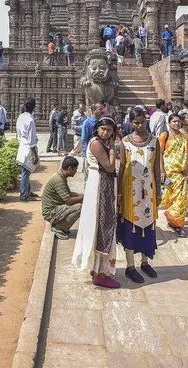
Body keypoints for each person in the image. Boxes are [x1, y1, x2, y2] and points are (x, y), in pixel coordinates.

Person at [72, 117, 120, 288]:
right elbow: (109, 166)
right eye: (103, 129)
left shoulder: (101, 142)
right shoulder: (97, 143)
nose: (106, 132)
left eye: (109, 130)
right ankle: (99, 273)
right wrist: (113, 148)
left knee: (101, 223)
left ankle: (98, 267)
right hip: (99, 186)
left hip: (102, 185)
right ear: (97, 129)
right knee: (101, 225)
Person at [117, 107, 161, 282]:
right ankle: (130, 266)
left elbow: (157, 167)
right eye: (136, 123)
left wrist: (158, 192)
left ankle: (145, 261)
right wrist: (119, 192)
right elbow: (121, 167)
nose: (140, 125)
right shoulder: (125, 142)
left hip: (149, 191)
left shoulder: (154, 141)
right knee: (130, 225)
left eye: (143, 122)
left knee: (148, 224)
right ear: (130, 123)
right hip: (130, 191)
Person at [159, 113, 188, 237]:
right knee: (172, 198)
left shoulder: (185, 137)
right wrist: (162, 171)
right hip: (169, 174)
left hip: (181, 173)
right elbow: (160, 154)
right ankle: (172, 222)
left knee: (181, 200)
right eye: (174, 121)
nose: (177, 123)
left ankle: (177, 225)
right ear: (169, 123)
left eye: (178, 121)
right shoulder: (164, 136)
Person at [41, 156, 84, 240]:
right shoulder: (59, 180)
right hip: (50, 212)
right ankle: (58, 227)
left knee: (80, 201)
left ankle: (62, 226)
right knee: (79, 207)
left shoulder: (61, 176)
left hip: (55, 208)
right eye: (75, 169)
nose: (76, 171)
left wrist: (83, 195)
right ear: (70, 168)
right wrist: (83, 197)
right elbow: (68, 201)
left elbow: (69, 193)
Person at [16, 98, 39, 202]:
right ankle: (24, 194)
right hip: (28, 148)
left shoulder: (21, 117)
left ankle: (27, 191)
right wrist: (34, 153)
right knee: (25, 172)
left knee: (26, 170)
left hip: (22, 145)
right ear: (34, 107)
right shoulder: (30, 120)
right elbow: (31, 138)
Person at [81, 102, 104, 182]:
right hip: (90, 153)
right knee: (88, 176)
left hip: (100, 153)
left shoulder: (102, 122)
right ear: (94, 110)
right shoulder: (87, 123)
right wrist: (85, 154)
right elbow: (84, 139)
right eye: (100, 109)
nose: (102, 111)